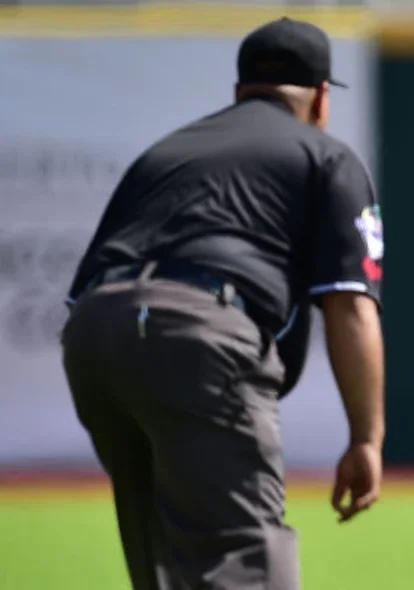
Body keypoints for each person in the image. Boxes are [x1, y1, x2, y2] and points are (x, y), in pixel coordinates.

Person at [60, 17, 386, 590]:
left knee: (164, 561)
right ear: (321, 99)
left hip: (95, 333)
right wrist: (366, 438)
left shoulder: (169, 150)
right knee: (246, 557)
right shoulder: (325, 156)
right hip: (197, 331)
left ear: (239, 91)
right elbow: (351, 305)